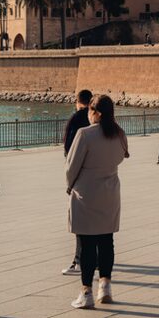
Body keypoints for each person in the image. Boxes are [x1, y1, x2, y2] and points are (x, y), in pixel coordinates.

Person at [66, 94, 130, 309]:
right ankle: (105, 286)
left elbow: (71, 167)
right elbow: (121, 157)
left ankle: (86, 292)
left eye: (89, 111)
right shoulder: (119, 134)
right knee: (106, 241)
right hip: (110, 192)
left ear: (96, 112)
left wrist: (70, 185)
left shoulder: (85, 134)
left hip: (86, 193)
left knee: (86, 244)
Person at [61, 89, 94, 276]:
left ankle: (78, 260)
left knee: (79, 221)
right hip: (104, 182)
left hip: (81, 179)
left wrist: (70, 181)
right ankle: (95, 259)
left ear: (78, 101)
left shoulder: (75, 120)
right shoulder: (103, 124)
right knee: (99, 224)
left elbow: (68, 150)